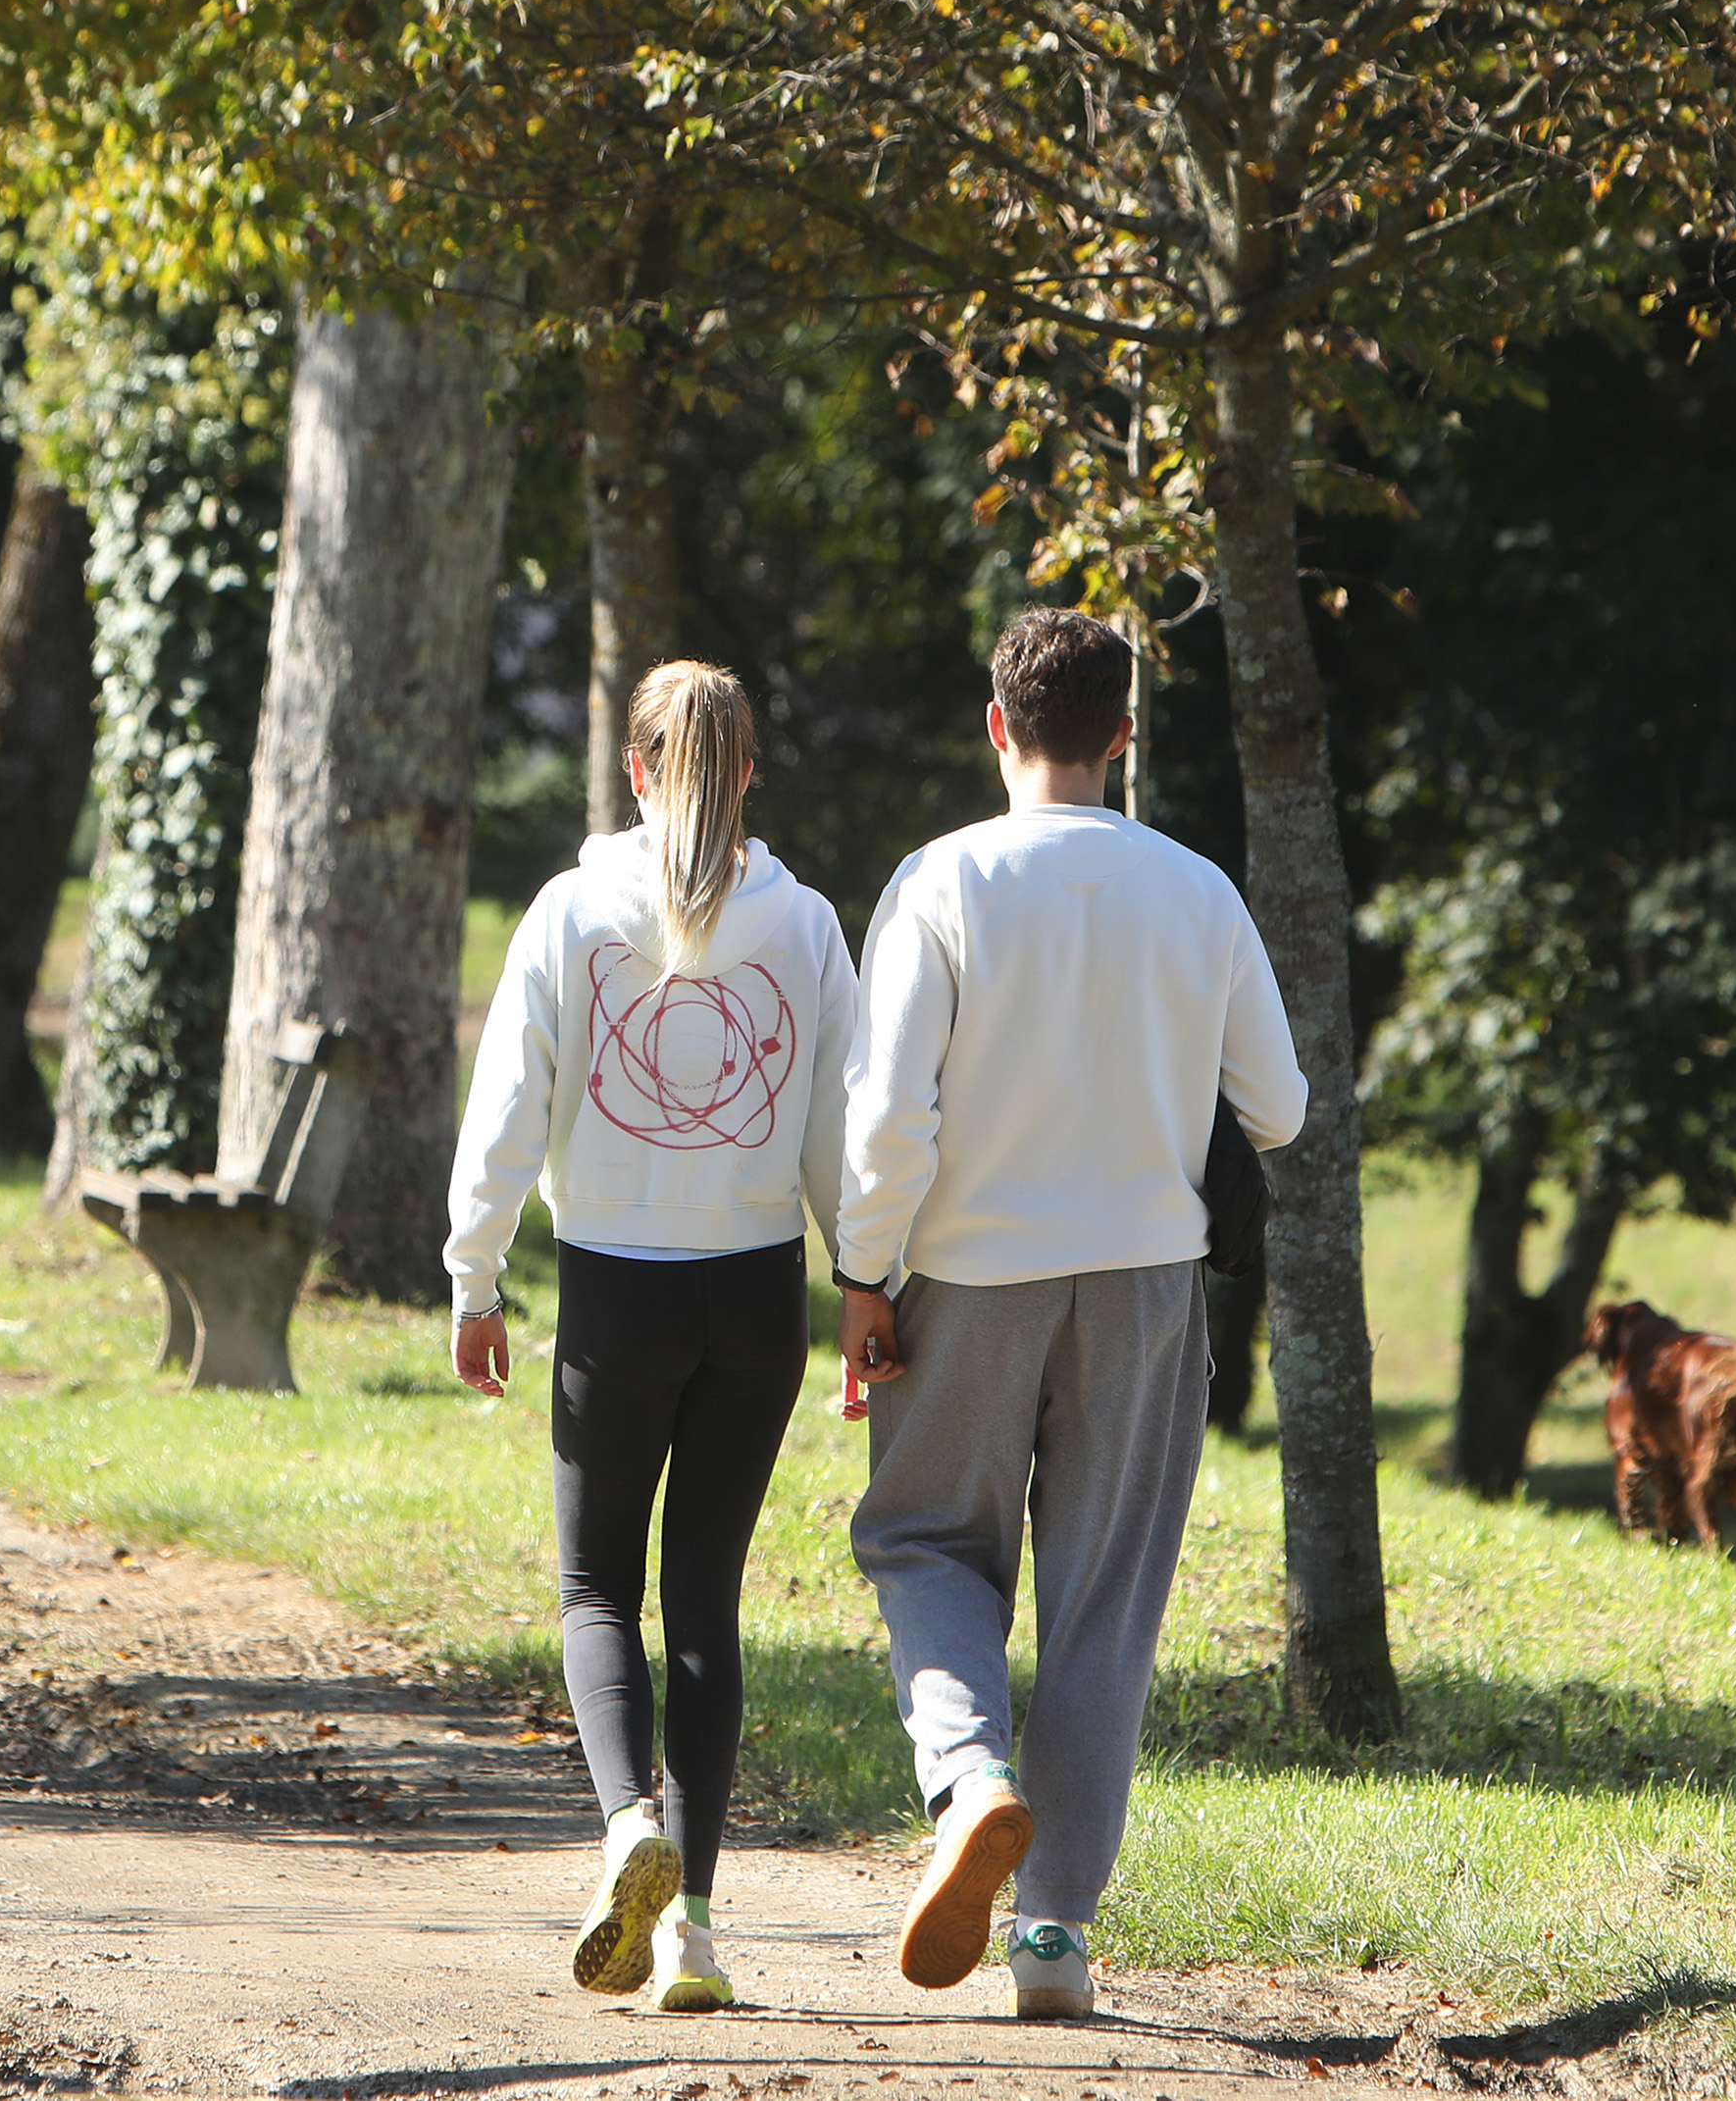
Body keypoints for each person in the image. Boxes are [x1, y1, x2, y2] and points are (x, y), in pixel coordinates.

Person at [833, 608, 1305, 2015]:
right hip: (1149, 1288)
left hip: (966, 1281)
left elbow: (885, 1118)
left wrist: (866, 1273)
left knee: (923, 1541)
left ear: (997, 725)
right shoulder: (1199, 891)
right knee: (1104, 1600)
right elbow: (1278, 1107)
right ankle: (1053, 1940)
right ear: (1122, 734)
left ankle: (973, 1776)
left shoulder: (941, 882)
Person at [444, 661, 861, 2015]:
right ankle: (692, 1930)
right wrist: (869, 1281)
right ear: (748, 772)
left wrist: (475, 1273)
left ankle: (630, 1822)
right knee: (708, 1608)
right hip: (754, 1301)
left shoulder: (573, 912)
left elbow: (510, 1101)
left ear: (635, 770)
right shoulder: (802, 926)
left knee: (594, 1589)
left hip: (613, 1296)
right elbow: (838, 1137)